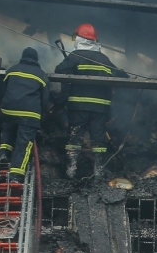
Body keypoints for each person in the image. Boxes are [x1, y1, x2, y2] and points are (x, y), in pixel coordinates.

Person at [54, 23, 128, 178]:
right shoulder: (104, 59)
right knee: (98, 139)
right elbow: (122, 76)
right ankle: (98, 170)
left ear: (79, 39)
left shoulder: (75, 57)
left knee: (75, 137)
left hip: (78, 106)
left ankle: (71, 169)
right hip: (100, 109)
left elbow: (59, 71)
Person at [0, 47, 49, 183]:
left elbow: (3, 90)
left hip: (9, 109)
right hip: (29, 113)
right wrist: (44, 114)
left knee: (7, 131)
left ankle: (4, 154)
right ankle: (16, 174)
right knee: (24, 143)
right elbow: (45, 100)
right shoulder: (41, 74)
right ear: (36, 59)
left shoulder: (11, 70)